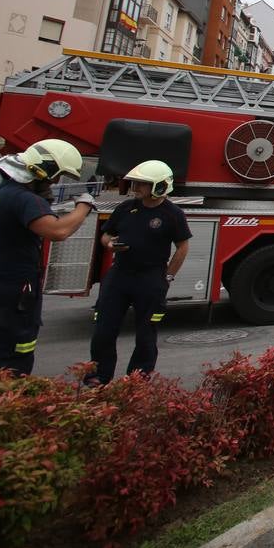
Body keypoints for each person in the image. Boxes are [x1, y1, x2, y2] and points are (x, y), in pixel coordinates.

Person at [0, 140, 95, 374]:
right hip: (15, 292)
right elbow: (57, 231)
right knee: (14, 360)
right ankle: (11, 403)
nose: (55, 182)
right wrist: (83, 207)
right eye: (57, 175)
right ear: (44, 170)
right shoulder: (25, 199)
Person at [86, 161, 191, 385]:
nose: (136, 187)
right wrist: (110, 244)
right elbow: (106, 235)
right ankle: (98, 377)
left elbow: (182, 247)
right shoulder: (125, 208)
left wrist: (168, 277)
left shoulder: (173, 214)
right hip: (119, 275)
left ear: (160, 186)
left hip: (151, 278)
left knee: (145, 335)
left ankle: (137, 380)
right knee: (103, 330)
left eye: (143, 184)